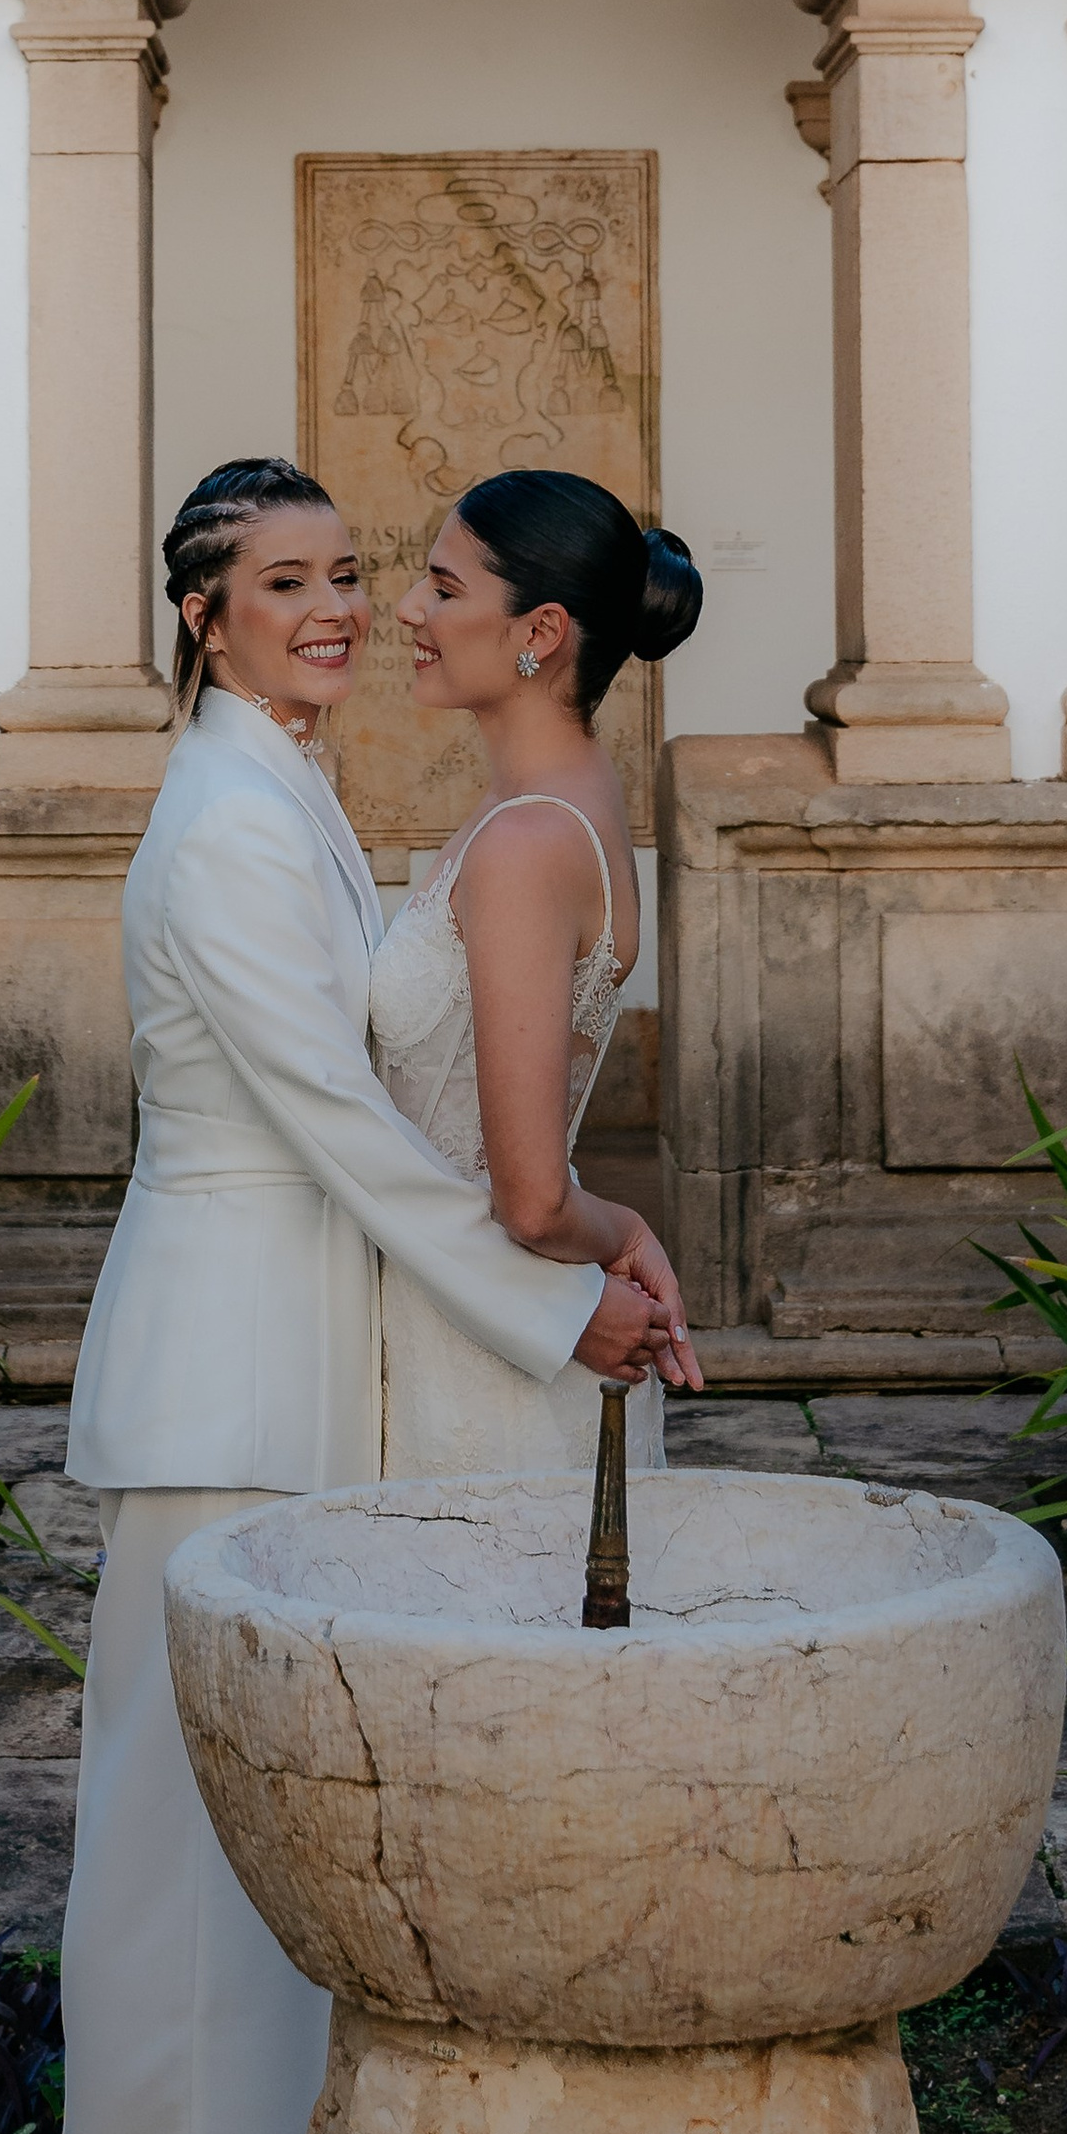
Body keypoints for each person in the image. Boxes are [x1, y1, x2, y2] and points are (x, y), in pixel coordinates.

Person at [41, 458, 685, 2134]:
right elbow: (343, 1124)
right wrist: (553, 1308)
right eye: (287, 583)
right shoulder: (231, 821)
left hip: (313, 1385)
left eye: (355, 572)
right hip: (226, 1389)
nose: (337, 608)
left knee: (278, 1911)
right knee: (182, 1911)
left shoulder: (297, 789)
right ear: (202, 617)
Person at [375, 470, 707, 1477]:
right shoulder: (561, 793)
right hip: (464, 1315)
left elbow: (531, 1203)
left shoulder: (526, 843)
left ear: (542, 630)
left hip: (485, 1363)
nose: (409, 609)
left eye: (444, 588)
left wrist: (626, 1229)